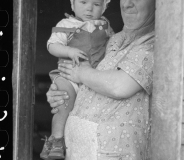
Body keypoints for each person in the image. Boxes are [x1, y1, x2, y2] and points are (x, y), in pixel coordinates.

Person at [46, 0, 155, 159]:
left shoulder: (153, 44)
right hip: (80, 152)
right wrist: (61, 91)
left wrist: (80, 73)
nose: (127, 4)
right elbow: (93, 82)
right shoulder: (114, 39)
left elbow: (119, 86)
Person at [40, 0, 113, 159]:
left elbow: (113, 46)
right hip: (68, 75)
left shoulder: (105, 25)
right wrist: (69, 51)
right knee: (64, 102)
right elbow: (52, 45)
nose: (89, 8)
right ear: (72, 5)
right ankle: (56, 139)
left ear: (104, 7)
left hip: (92, 78)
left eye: (96, 4)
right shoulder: (66, 24)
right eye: (83, 2)